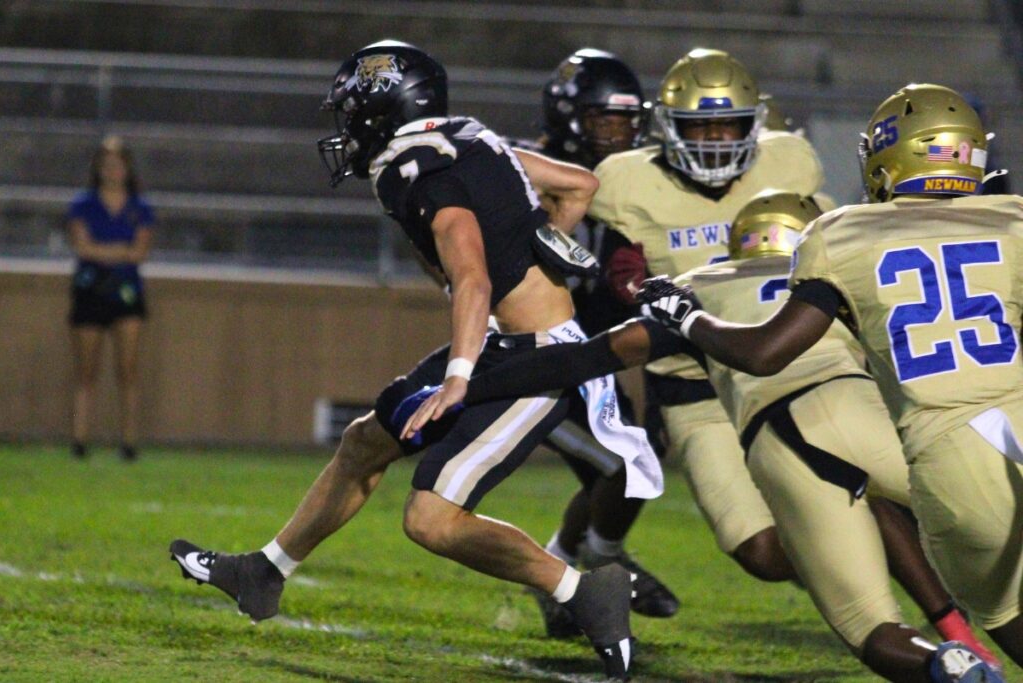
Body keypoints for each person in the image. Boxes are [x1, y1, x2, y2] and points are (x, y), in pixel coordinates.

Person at [169, 41, 665, 681]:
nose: (346, 130)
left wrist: (458, 375)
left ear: (383, 110)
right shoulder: (462, 135)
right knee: (365, 441)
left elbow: (473, 279)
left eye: (352, 113)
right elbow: (579, 184)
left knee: (431, 519)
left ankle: (581, 592)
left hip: (537, 360)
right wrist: (549, 240)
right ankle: (263, 573)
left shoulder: (413, 170)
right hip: (502, 343)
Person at [399, 187, 1005, 681]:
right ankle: (960, 623)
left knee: (867, 624)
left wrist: (467, 384)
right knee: (971, 524)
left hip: (779, 435)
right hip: (873, 412)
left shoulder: (705, 284)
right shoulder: (848, 273)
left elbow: (585, 359)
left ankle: (946, 661)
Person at [634, 83, 1021, 673]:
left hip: (952, 461)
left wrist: (686, 317)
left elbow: (766, 352)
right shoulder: (1014, 221)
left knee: (999, 617)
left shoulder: (842, 234)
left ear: (888, 158)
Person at [586, 47, 830, 583]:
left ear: (754, 125)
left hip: (794, 374)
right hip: (697, 390)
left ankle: (930, 618)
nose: (717, 140)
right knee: (763, 553)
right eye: (702, 127)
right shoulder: (632, 185)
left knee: (866, 500)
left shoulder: (789, 165)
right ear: (670, 128)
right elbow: (623, 267)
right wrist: (642, 293)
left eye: (729, 126)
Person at [525, 48, 679, 636]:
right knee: (625, 464)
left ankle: (565, 567)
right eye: (602, 122)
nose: (617, 135)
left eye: (625, 122)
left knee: (620, 467)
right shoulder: (530, 171)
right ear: (569, 117)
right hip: (531, 357)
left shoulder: (637, 176)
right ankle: (598, 565)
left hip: (589, 356)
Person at [67, 135, 155, 462]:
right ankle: (79, 441)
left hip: (126, 292)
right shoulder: (82, 204)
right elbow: (82, 246)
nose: (113, 171)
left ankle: (129, 443)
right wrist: (119, 251)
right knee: (86, 370)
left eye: (119, 165)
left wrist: (105, 252)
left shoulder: (140, 208)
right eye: (107, 165)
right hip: (91, 289)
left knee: (127, 369)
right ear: (99, 169)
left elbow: (139, 252)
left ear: (128, 168)